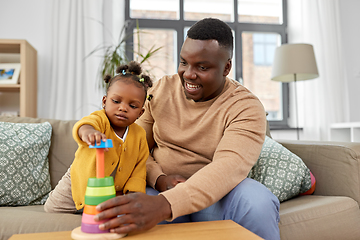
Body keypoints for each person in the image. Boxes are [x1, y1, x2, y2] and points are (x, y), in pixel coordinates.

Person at [93, 18, 280, 240]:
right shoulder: (161, 89)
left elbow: (228, 168)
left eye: (202, 67)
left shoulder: (245, 107)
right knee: (131, 211)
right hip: (161, 189)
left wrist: (166, 205)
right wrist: (159, 179)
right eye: (184, 63)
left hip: (219, 196)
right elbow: (134, 146)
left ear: (226, 67)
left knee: (257, 201)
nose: (189, 74)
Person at [44, 61, 153, 212]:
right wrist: (89, 132)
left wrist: (134, 194)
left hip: (108, 192)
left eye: (132, 106)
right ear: (104, 101)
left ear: (140, 113)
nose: (123, 108)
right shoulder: (101, 119)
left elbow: (139, 168)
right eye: (116, 101)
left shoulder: (139, 134)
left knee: (100, 217)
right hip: (78, 184)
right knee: (52, 210)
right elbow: (86, 124)